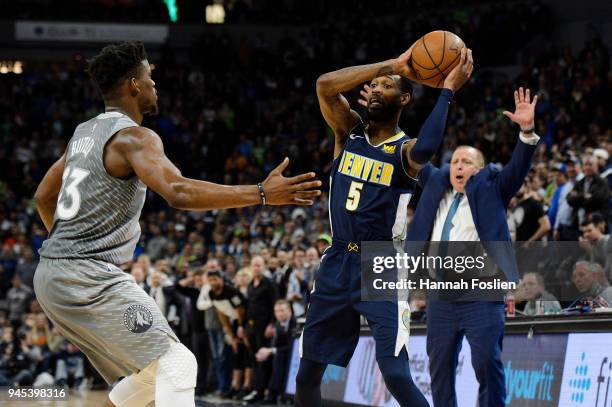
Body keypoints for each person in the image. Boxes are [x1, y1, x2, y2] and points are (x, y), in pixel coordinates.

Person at [32, 41, 321, 407]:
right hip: (85, 273)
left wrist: (63, 249)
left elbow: (43, 196)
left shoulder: (83, 134)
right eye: (150, 76)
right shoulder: (134, 136)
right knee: (179, 365)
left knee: (153, 375)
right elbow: (179, 192)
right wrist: (261, 192)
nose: (155, 84)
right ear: (133, 85)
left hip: (51, 274)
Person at [295, 43, 473, 407]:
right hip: (336, 260)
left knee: (394, 373)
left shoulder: (405, 150)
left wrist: (447, 91)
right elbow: (325, 85)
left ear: (404, 99)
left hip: (381, 264)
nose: (376, 89)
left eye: (387, 85)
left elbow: (427, 147)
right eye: (373, 86)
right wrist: (391, 65)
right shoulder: (348, 132)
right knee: (308, 373)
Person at [406, 87, 540, 406]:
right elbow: (418, 151)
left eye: (467, 161)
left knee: (485, 364)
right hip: (440, 297)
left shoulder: (492, 189)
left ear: (478, 169)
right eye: (454, 161)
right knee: (439, 370)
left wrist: (526, 131)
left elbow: (517, 168)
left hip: (481, 293)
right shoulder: (436, 189)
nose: (459, 166)